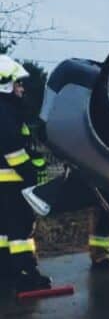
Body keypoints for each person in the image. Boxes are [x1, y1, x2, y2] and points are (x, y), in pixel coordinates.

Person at [0, 55, 52, 291]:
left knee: (2, 232)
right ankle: (25, 272)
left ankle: (6, 273)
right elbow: (12, 147)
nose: (21, 88)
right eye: (18, 83)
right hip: (11, 183)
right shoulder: (6, 111)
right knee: (20, 230)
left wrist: (37, 161)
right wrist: (30, 172)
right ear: (5, 83)